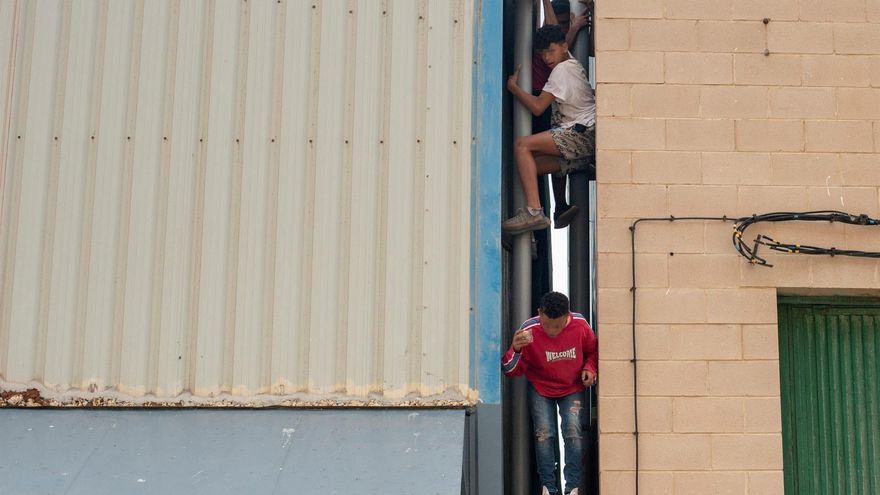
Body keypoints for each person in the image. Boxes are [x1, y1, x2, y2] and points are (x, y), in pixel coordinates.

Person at [502, 292, 598, 495]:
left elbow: (594, 350)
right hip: (541, 389)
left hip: (572, 387)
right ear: (540, 314)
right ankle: (548, 488)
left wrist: (590, 368)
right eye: (547, 326)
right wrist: (516, 349)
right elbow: (510, 370)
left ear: (568, 316)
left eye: (558, 326)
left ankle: (572, 487)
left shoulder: (580, 325)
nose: (552, 332)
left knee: (572, 432)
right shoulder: (529, 330)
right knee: (544, 434)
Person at [503, 23, 596, 235]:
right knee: (529, 166)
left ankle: (534, 212)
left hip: (580, 134)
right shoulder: (571, 63)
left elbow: (537, 107)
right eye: (543, 53)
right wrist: (573, 28)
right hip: (585, 141)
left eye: (551, 51)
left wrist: (514, 88)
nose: (547, 57)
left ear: (564, 47)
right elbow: (558, 34)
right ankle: (580, 167)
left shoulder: (561, 71)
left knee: (521, 145)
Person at [532, 0, 590, 229]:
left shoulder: (561, 53)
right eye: (562, 23)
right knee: (553, 152)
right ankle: (547, 207)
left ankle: (559, 206)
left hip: (557, 103)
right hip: (543, 98)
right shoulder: (547, 47)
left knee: (560, 151)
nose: (564, 28)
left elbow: (565, 49)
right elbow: (553, 27)